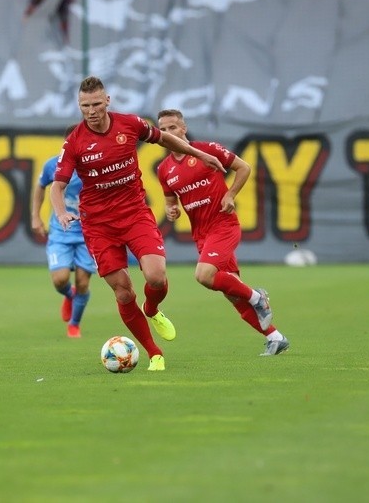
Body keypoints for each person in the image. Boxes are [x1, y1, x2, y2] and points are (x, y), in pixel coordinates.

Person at [50, 76, 225, 371]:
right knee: (123, 291)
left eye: (95, 104)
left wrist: (198, 152)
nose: (91, 111)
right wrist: (60, 212)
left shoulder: (130, 124)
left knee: (156, 277)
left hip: (134, 214)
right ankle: (154, 353)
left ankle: (152, 309)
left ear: (107, 101)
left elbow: (163, 138)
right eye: (84, 106)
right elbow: (57, 186)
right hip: (99, 226)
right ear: (79, 106)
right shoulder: (75, 143)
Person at [155, 109, 289, 356]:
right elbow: (170, 200)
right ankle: (275, 337)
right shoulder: (164, 169)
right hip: (201, 235)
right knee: (232, 295)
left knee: (204, 275)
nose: (166, 133)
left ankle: (258, 297)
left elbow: (244, 167)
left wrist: (230, 194)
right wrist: (171, 210)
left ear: (183, 128)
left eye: (172, 128)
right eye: (162, 129)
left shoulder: (207, 151)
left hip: (224, 226)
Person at [31, 125, 95, 338]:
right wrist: (35, 216)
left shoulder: (97, 165)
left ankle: (74, 324)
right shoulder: (54, 165)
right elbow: (41, 186)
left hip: (89, 233)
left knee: (83, 281)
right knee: (59, 279)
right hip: (61, 231)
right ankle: (69, 295)